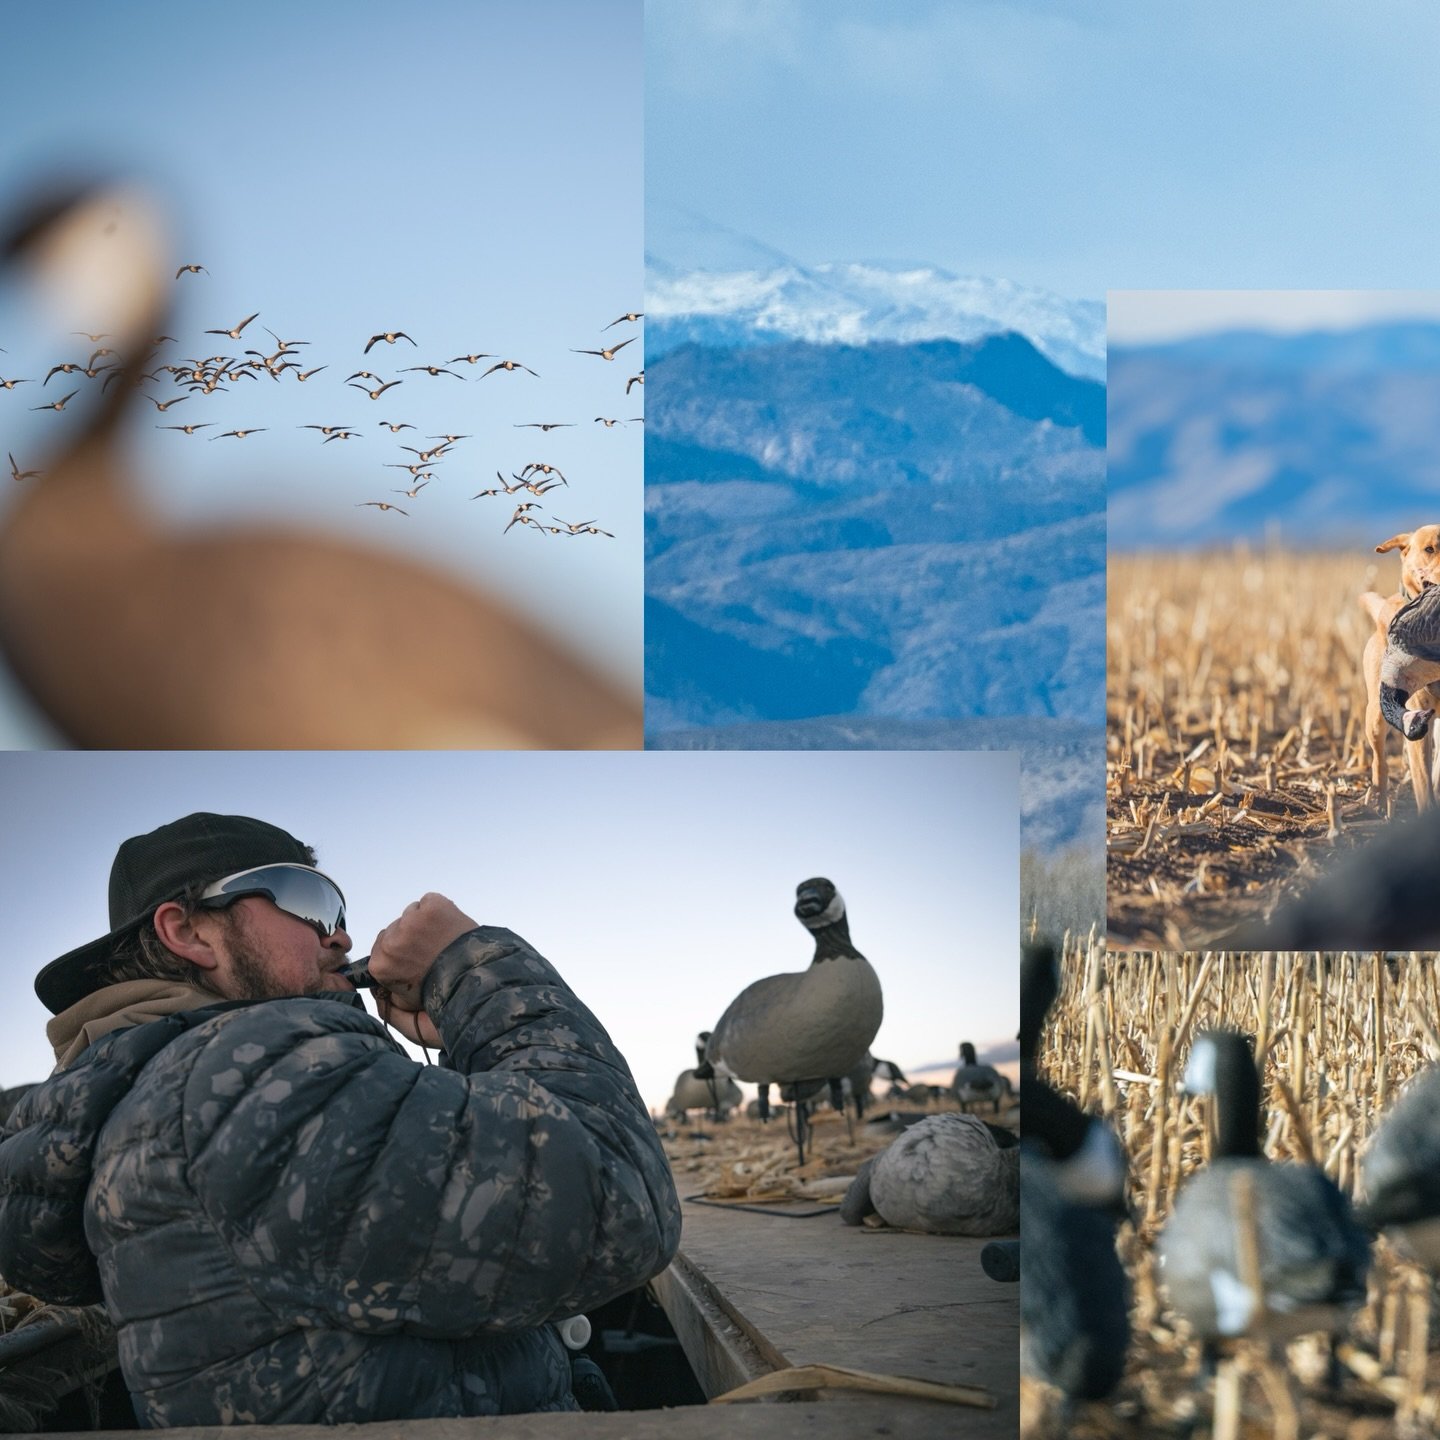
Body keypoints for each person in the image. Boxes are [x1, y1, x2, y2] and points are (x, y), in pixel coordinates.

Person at [0, 813, 681, 1426]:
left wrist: (458, 1052)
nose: (342, 934)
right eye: (308, 901)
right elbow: (619, 1198)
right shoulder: (248, 1076)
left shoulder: (179, 1087)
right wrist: (473, 969)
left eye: (337, 907)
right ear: (189, 932)